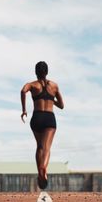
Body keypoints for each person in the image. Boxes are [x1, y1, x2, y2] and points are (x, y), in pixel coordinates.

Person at [20, 61, 64, 189]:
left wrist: (23, 110)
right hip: (49, 118)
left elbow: (23, 91)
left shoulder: (32, 85)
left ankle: (39, 170)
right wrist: (51, 99)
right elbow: (61, 105)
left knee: (39, 146)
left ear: (36, 72)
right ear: (47, 72)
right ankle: (43, 167)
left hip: (36, 117)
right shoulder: (54, 86)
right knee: (47, 147)